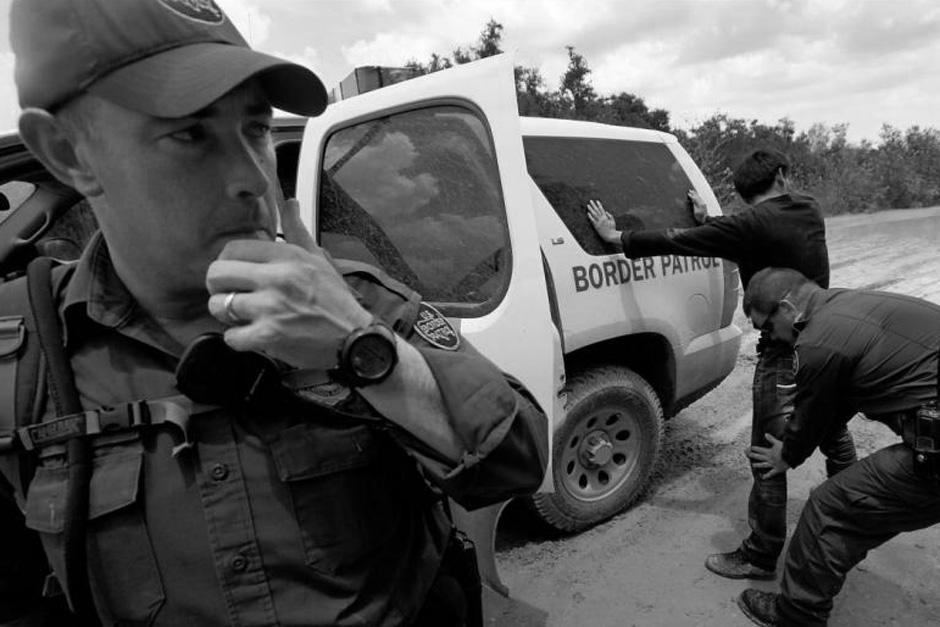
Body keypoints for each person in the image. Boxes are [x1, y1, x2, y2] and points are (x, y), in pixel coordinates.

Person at [0, 1, 548, 626]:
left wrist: (363, 351)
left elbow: (520, 458)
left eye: (257, 129)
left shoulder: (351, 299)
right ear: (68, 153)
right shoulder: (25, 359)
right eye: (190, 133)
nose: (253, 178)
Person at [586, 149, 857, 581]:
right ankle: (852, 506)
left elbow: (679, 240)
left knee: (767, 451)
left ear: (742, 192)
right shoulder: (808, 208)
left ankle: (761, 553)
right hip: (826, 334)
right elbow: (744, 231)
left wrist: (619, 238)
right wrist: (710, 222)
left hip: (784, 347)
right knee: (830, 422)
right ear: (783, 176)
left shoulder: (748, 226)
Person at [737, 267, 940, 626]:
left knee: (828, 510)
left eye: (766, 328)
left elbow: (811, 416)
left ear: (786, 308)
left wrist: (785, 456)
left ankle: (797, 615)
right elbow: (843, 396)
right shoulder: (851, 304)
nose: (771, 338)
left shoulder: (815, 343)